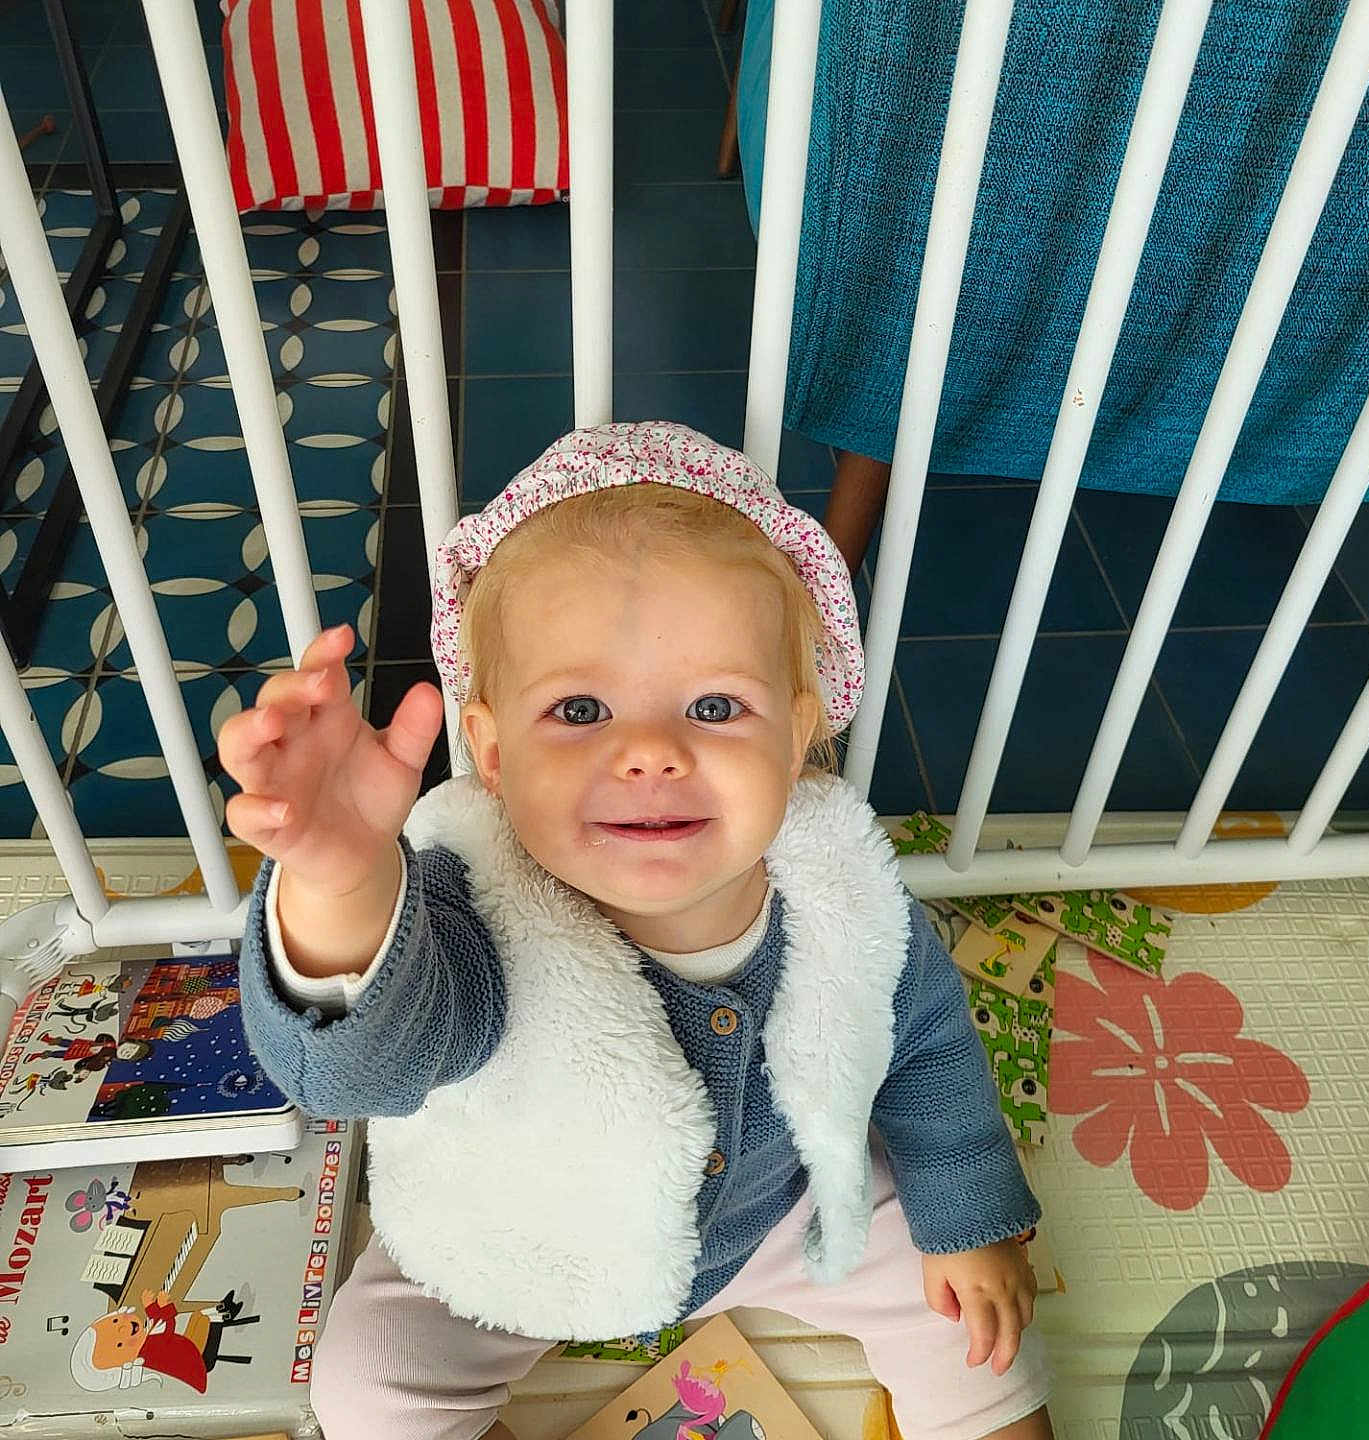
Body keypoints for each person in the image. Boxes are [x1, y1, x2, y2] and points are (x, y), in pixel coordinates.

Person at [222, 422, 1053, 1440]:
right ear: (490, 751)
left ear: (799, 735)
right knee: (368, 1375)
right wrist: (344, 883)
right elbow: (362, 1071)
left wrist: (971, 1216)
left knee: (975, 1328)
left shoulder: (845, 897)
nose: (651, 752)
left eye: (714, 705)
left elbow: (928, 1049)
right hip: (523, 1232)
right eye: (580, 710)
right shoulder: (473, 910)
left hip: (777, 1216)